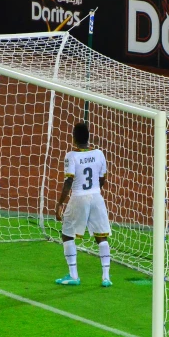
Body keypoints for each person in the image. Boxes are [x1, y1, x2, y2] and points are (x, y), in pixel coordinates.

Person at [54, 122, 112, 287]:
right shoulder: (99, 154)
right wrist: (94, 191)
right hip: (96, 197)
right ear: (88, 137)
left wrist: (59, 203)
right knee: (101, 236)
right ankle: (106, 277)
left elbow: (68, 182)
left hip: (79, 198)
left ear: (73, 138)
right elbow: (102, 179)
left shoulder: (71, 156)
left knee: (67, 234)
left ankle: (73, 275)